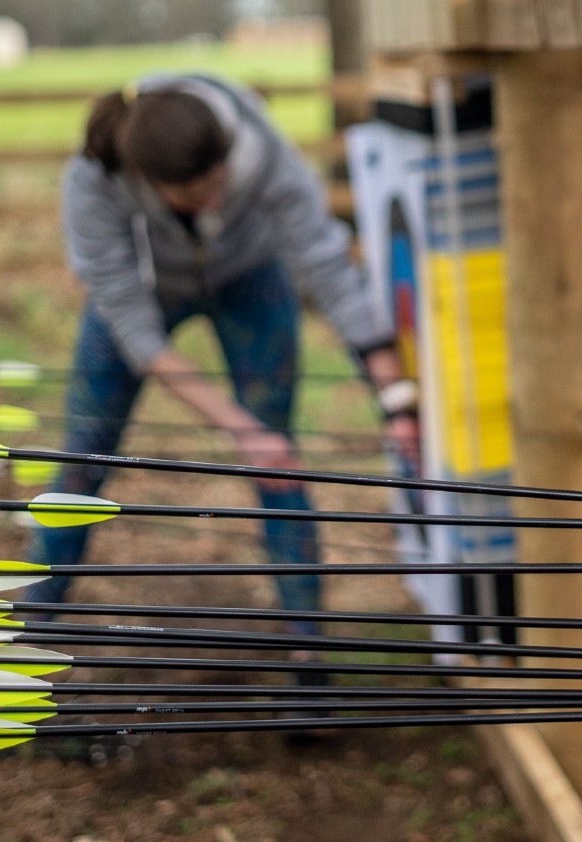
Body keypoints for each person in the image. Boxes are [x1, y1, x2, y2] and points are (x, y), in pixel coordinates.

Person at [25, 73, 419, 663]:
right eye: (193, 193)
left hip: (250, 278)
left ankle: (307, 656)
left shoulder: (261, 150)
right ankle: (33, 629)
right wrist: (239, 428)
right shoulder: (93, 182)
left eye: (219, 182)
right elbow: (137, 333)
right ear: (147, 183)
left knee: (278, 460)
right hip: (143, 295)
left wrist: (395, 401)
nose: (214, 200)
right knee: (83, 457)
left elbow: (327, 265)